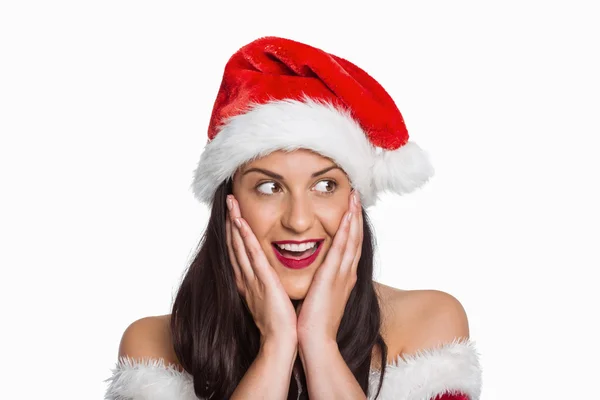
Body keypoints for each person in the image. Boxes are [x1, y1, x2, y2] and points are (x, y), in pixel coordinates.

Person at [104, 36, 482, 400]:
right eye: (269, 188)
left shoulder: (430, 326)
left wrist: (319, 343)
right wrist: (276, 347)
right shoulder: (151, 349)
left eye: (325, 186)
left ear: (355, 198)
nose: (299, 221)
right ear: (229, 203)